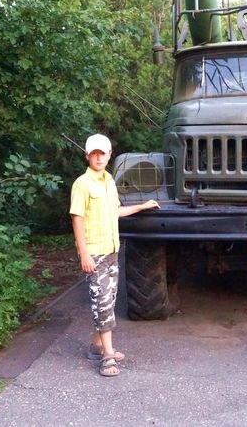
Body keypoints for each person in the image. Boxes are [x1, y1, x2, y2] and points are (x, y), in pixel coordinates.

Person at [69, 133, 159, 377]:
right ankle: (108, 356)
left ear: (109, 155)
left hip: (111, 250)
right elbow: (77, 219)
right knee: (103, 304)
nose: (98, 157)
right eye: (94, 153)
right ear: (87, 155)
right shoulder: (82, 184)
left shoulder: (108, 180)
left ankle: (97, 346)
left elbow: (115, 211)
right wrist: (84, 254)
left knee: (108, 299)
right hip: (94, 252)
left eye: (103, 153)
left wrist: (141, 206)